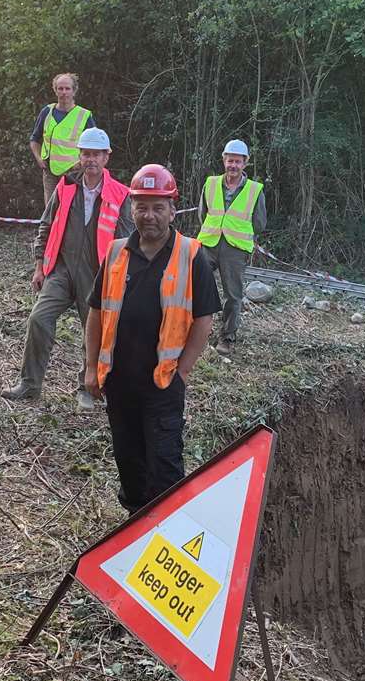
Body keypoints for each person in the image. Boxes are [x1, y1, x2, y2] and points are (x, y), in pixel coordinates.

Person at [85, 164, 220, 512]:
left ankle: (167, 536)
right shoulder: (116, 253)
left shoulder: (191, 255)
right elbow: (96, 313)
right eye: (142, 206)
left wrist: (183, 371)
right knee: (129, 463)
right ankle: (134, 529)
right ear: (131, 209)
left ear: (173, 210)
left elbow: (203, 318)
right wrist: (90, 369)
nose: (149, 215)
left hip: (162, 383)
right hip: (118, 382)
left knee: (165, 469)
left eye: (158, 207)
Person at [3, 128, 133, 409]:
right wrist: (39, 266)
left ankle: (87, 388)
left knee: (94, 332)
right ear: (80, 156)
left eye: (97, 154)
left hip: (97, 274)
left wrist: (119, 281)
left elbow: (126, 243)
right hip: (61, 270)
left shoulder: (120, 194)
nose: (91, 160)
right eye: (86, 154)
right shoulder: (65, 186)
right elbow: (46, 225)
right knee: (39, 318)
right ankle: (29, 384)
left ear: (106, 157)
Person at [197, 139, 266, 345]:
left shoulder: (255, 190)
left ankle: (227, 336)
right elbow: (203, 213)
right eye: (230, 161)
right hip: (208, 244)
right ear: (224, 161)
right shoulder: (211, 183)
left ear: (245, 163)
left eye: (237, 161)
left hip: (235, 249)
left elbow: (260, 223)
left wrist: (237, 232)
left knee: (232, 295)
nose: (233, 165)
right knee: (197, 286)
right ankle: (197, 330)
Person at [29, 72, 95, 206]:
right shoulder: (47, 112)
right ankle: (51, 228)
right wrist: (39, 158)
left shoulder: (84, 115)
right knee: (51, 209)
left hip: (74, 171)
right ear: (55, 90)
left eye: (67, 88)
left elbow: (95, 145)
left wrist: (83, 163)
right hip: (49, 171)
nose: (64, 92)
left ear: (74, 91)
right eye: (60, 88)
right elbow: (34, 139)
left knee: (72, 208)